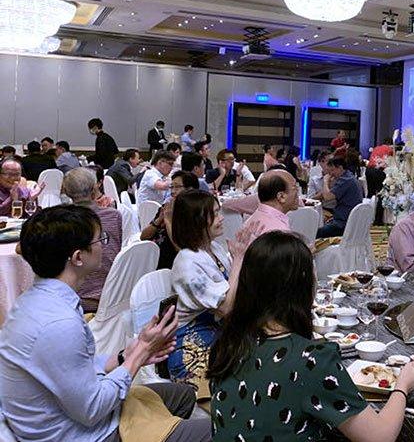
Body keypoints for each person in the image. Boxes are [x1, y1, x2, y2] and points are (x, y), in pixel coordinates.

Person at [0, 204, 211, 442]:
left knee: (183, 394)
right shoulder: (59, 322)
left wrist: (123, 356)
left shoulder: (35, 300)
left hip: (63, 413)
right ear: (78, 257)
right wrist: (140, 354)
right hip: (77, 433)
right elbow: (92, 410)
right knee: (216, 431)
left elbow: (76, 367)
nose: (104, 245)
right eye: (100, 240)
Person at [208, 232, 414, 441]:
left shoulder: (226, 345)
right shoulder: (311, 361)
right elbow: (380, 436)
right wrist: (403, 384)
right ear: (302, 287)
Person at [167, 190, 253, 390]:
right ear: (196, 221)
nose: (221, 218)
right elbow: (226, 307)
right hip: (191, 343)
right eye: (214, 214)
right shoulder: (187, 264)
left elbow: (235, 287)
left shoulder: (214, 248)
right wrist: (239, 259)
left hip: (219, 331)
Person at [61, 168, 122, 312]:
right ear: (94, 189)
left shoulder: (62, 221)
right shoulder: (114, 216)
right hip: (113, 295)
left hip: (77, 300)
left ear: (66, 192)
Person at [141, 171, 198, 270]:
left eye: (177, 187)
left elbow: (181, 250)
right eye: (171, 187)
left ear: (190, 189)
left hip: (172, 265)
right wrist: (159, 220)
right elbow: (143, 237)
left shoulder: (193, 214)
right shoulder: (167, 208)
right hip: (151, 259)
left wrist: (168, 221)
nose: (172, 191)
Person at [238, 169, 300, 238]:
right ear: (281, 196)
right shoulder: (278, 231)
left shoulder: (254, 218)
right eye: (295, 188)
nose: (298, 192)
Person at [316, 157, 363, 238]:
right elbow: (326, 193)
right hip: (349, 219)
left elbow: (327, 197)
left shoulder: (345, 180)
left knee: (314, 233)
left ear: (340, 168)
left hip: (343, 223)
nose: (331, 174)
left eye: (332, 170)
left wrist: (325, 181)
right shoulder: (348, 176)